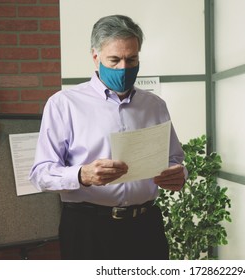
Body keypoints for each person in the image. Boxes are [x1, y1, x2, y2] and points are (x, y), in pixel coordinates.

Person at [29, 15, 186, 260]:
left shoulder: (155, 105)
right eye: (114, 60)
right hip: (88, 230)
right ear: (95, 56)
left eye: (132, 59)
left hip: (145, 227)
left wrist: (179, 174)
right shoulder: (63, 104)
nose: (124, 68)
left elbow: (174, 158)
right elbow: (40, 174)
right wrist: (82, 175)